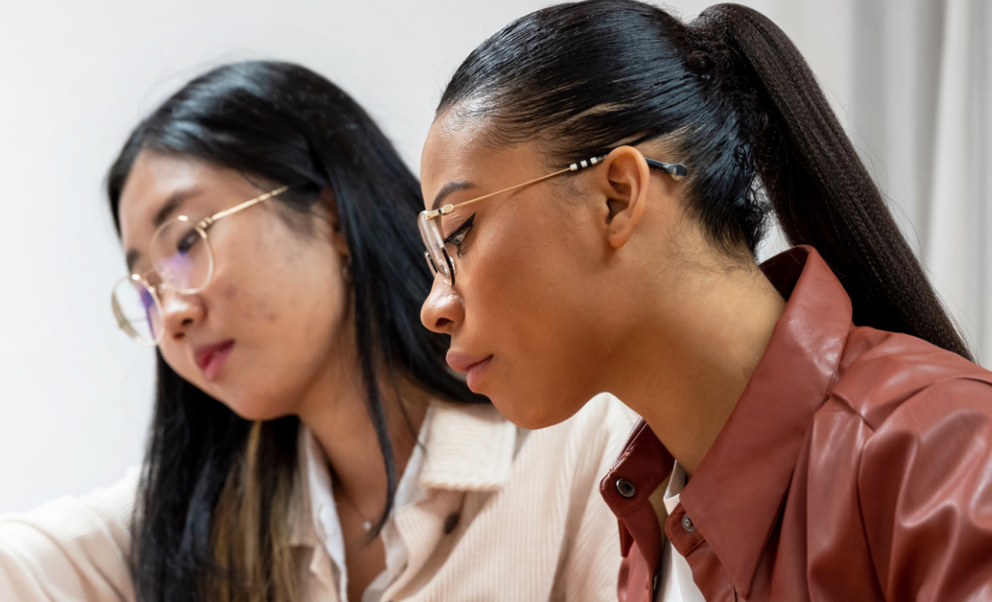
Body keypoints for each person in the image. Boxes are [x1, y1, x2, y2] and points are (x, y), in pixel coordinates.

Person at [416, 2, 992, 601]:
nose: (435, 306)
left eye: (457, 234)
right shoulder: (651, 528)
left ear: (616, 197)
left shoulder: (940, 455)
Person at [0, 60, 637, 602]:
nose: (171, 314)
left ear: (332, 211)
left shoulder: (586, 451)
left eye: (188, 240)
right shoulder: (200, 522)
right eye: (147, 287)